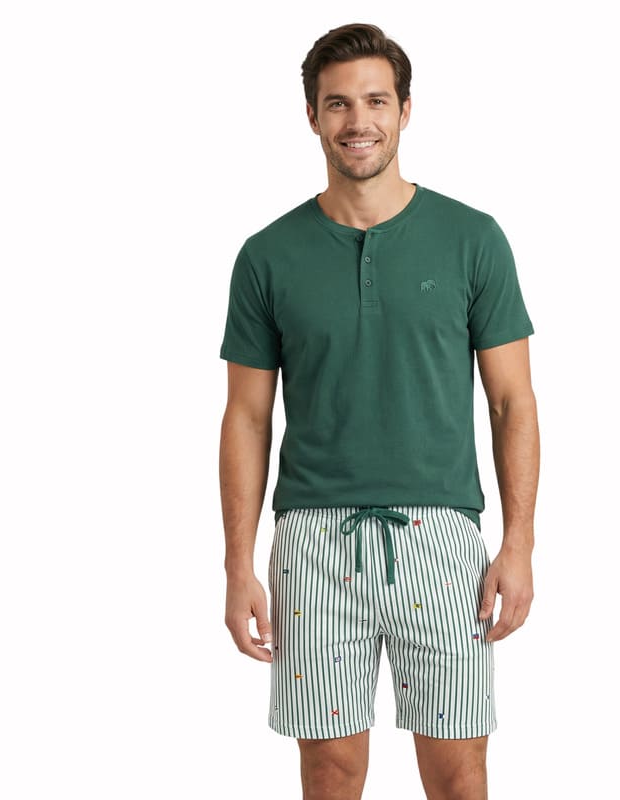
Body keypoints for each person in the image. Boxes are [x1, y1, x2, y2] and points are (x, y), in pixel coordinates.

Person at [219, 22, 539, 800]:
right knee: (330, 772)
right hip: (312, 542)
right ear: (311, 115)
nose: (357, 121)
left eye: (375, 101)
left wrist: (519, 543)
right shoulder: (267, 256)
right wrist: (236, 564)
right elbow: (246, 419)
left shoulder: (472, 239)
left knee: (459, 772)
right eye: (337, 104)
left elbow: (512, 401)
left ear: (404, 110)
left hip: (445, 539)